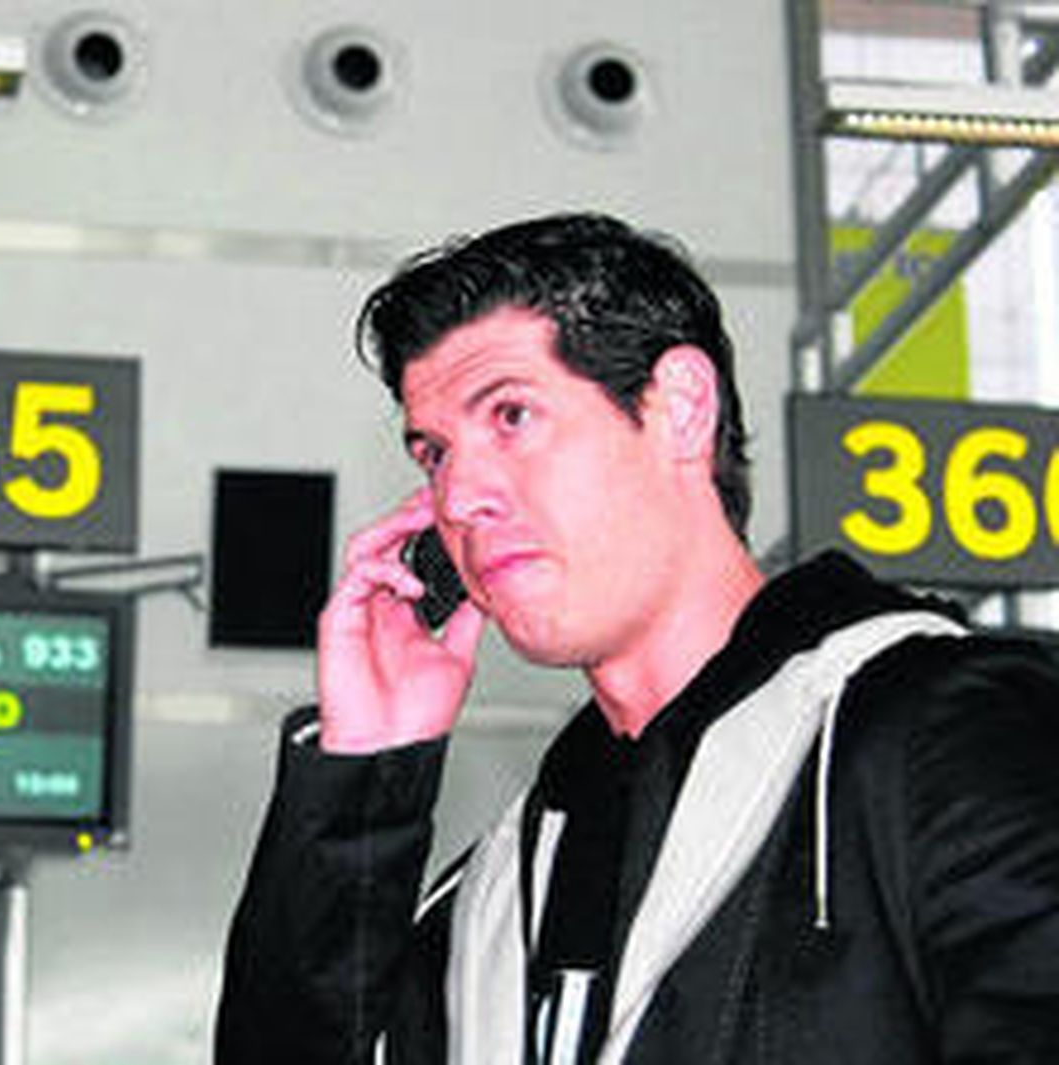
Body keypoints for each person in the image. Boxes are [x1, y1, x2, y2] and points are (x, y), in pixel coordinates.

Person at [214, 213, 1059, 1064]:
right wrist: (364, 774)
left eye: (511, 415)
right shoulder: (498, 894)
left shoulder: (950, 731)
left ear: (680, 409)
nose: (460, 493)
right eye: (433, 454)